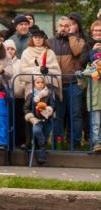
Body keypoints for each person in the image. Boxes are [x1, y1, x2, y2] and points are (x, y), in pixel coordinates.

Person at [50, 15, 90, 149]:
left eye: (67, 26)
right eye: (61, 26)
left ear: (71, 27)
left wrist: (71, 36)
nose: (64, 28)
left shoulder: (78, 41)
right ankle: (58, 143)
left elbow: (77, 51)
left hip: (74, 84)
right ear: (57, 28)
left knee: (76, 115)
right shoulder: (50, 42)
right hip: (57, 85)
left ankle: (76, 143)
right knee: (58, 115)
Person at [19, 29, 62, 147]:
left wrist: (47, 72)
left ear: (44, 39)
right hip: (31, 90)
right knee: (30, 114)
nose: (38, 39)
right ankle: (29, 142)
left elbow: (57, 73)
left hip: (46, 91)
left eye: (40, 37)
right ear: (32, 39)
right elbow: (22, 72)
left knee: (45, 114)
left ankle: (42, 142)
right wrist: (37, 70)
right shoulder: (26, 52)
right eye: (35, 37)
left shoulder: (50, 53)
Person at [25, 75, 55, 165]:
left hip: (46, 119)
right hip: (36, 120)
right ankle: (42, 149)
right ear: (34, 84)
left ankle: (41, 159)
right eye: (38, 82)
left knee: (44, 138)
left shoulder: (48, 94)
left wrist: (47, 109)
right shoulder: (31, 95)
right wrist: (31, 117)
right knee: (37, 132)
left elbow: (54, 106)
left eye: (42, 82)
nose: (40, 84)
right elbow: (26, 108)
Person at [80, 49, 101, 153]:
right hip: (94, 101)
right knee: (95, 124)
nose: (99, 61)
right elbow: (82, 85)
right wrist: (80, 76)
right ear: (93, 61)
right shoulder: (90, 70)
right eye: (97, 60)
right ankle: (97, 143)